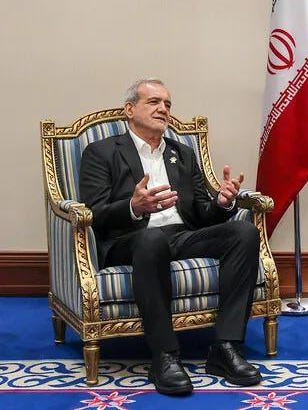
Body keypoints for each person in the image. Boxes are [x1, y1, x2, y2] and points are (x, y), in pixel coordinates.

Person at [80, 78, 262, 396]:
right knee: (152, 239)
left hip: (181, 235)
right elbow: (95, 212)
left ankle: (225, 347)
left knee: (244, 232)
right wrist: (134, 207)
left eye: (167, 104)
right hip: (131, 239)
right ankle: (165, 355)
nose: (163, 109)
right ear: (130, 109)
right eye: (154, 102)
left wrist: (222, 203)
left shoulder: (182, 153)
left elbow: (202, 214)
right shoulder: (101, 152)